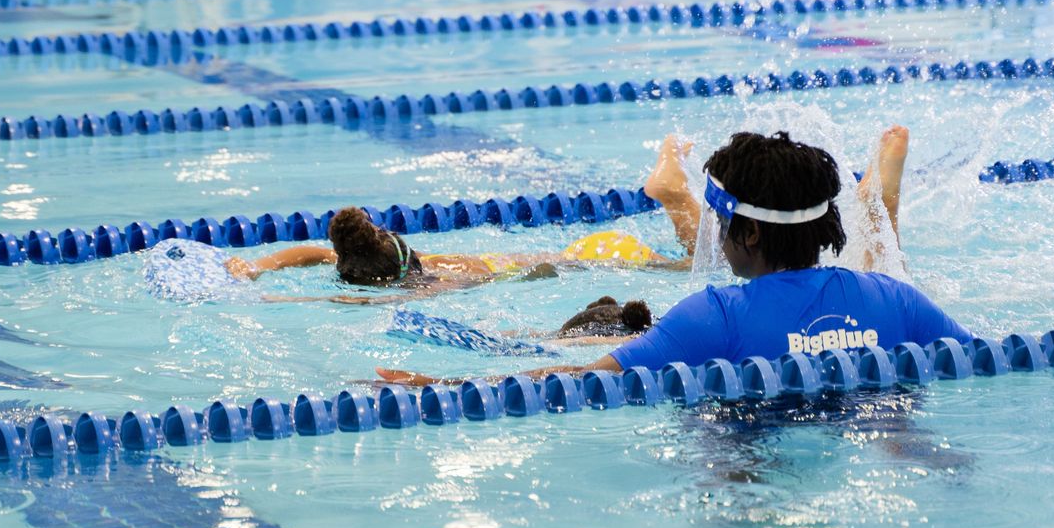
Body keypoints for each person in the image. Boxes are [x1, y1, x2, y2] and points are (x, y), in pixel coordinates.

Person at [377, 125, 970, 383]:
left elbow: (582, 379)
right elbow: (988, 359)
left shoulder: (713, 315)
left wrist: (436, 385)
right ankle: (879, 211)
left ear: (751, 234)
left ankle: (880, 207)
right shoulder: (897, 300)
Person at [222, 136, 702, 302]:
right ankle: (674, 192)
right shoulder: (424, 264)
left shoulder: (425, 287)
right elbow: (316, 254)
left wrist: (264, 282)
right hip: (589, 252)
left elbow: (328, 282)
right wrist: (259, 268)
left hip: (595, 260)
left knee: (689, 267)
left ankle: (674, 194)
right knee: (688, 266)